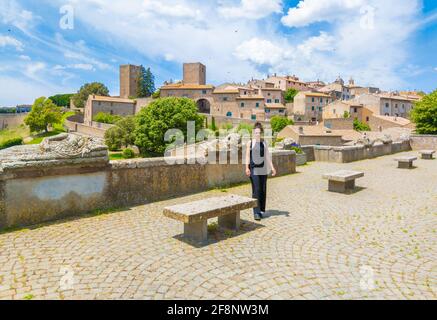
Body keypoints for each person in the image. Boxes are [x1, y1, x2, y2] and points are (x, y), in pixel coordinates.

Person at [245, 122, 276, 221]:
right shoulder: (250, 143)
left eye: (259, 132)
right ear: (254, 133)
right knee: (256, 189)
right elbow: (247, 156)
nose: (258, 134)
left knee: (262, 189)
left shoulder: (264, 143)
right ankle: (256, 212)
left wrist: (272, 168)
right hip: (254, 169)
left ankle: (260, 210)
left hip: (263, 169)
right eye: (256, 132)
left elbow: (267, 156)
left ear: (261, 133)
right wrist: (247, 168)